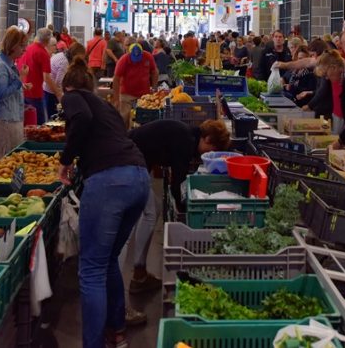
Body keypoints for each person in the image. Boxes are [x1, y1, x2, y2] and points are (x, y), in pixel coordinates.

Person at [58, 59, 149, 348]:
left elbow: (81, 120)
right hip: (138, 178)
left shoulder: (73, 96)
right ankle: (117, 333)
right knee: (108, 260)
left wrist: (64, 161)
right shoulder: (104, 105)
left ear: (68, 86)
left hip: (109, 182)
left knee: (92, 269)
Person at [125, 119, 230, 307]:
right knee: (151, 212)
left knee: (151, 209)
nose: (209, 155)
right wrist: (185, 213)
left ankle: (139, 273)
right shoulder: (185, 140)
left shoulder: (187, 135)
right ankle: (138, 275)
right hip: (128, 161)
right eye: (211, 150)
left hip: (134, 159)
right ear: (206, 139)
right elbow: (177, 183)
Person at [0, 27, 29, 162]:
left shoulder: (9, 64)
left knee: (9, 161)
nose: (24, 50)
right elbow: (0, 95)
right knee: (2, 163)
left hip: (10, 117)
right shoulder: (0, 67)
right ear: (12, 45)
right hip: (2, 120)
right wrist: (20, 80)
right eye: (22, 46)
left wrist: (20, 83)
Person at [113, 43, 158, 126]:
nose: (136, 60)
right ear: (129, 53)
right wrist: (116, 99)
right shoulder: (124, 59)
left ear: (142, 52)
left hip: (143, 96)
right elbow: (116, 79)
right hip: (127, 94)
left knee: (142, 120)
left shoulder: (148, 56)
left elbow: (154, 72)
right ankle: (123, 136)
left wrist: (154, 88)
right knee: (123, 119)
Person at [19, 28, 56, 124]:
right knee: (39, 123)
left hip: (23, 90)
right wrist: (58, 92)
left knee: (26, 122)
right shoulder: (43, 53)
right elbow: (46, 77)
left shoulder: (27, 49)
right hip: (35, 93)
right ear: (48, 40)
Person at [42, 35, 61, 118]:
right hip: (47, 89)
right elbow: (46, 76)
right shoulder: (44, 56)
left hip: (52, 88)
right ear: (48, 46)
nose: (56, 47)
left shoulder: (53, 57)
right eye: (54, 45)